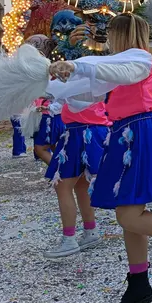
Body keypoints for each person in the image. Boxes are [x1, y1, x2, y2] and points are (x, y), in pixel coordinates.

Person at [48, 13, 152, 303]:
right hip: (126, 136)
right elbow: (87, 93)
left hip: (141, 135)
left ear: (120, 34)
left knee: (127, 215)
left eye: (111, 34)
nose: (107, 39)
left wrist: (77, 64)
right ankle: (139, 284)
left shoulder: (139, 59)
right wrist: (52, 84)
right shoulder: (120, 65)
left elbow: (118, 71)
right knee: (131, 211)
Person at [40, 95, 109, 258]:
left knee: (62, 185)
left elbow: (74, 100)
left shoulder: (82, 73)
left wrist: (54, 97)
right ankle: (90, 230)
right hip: (91, 128)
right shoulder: (94, 74)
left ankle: (69, 239)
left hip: (79, 131)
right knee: (81, 184)